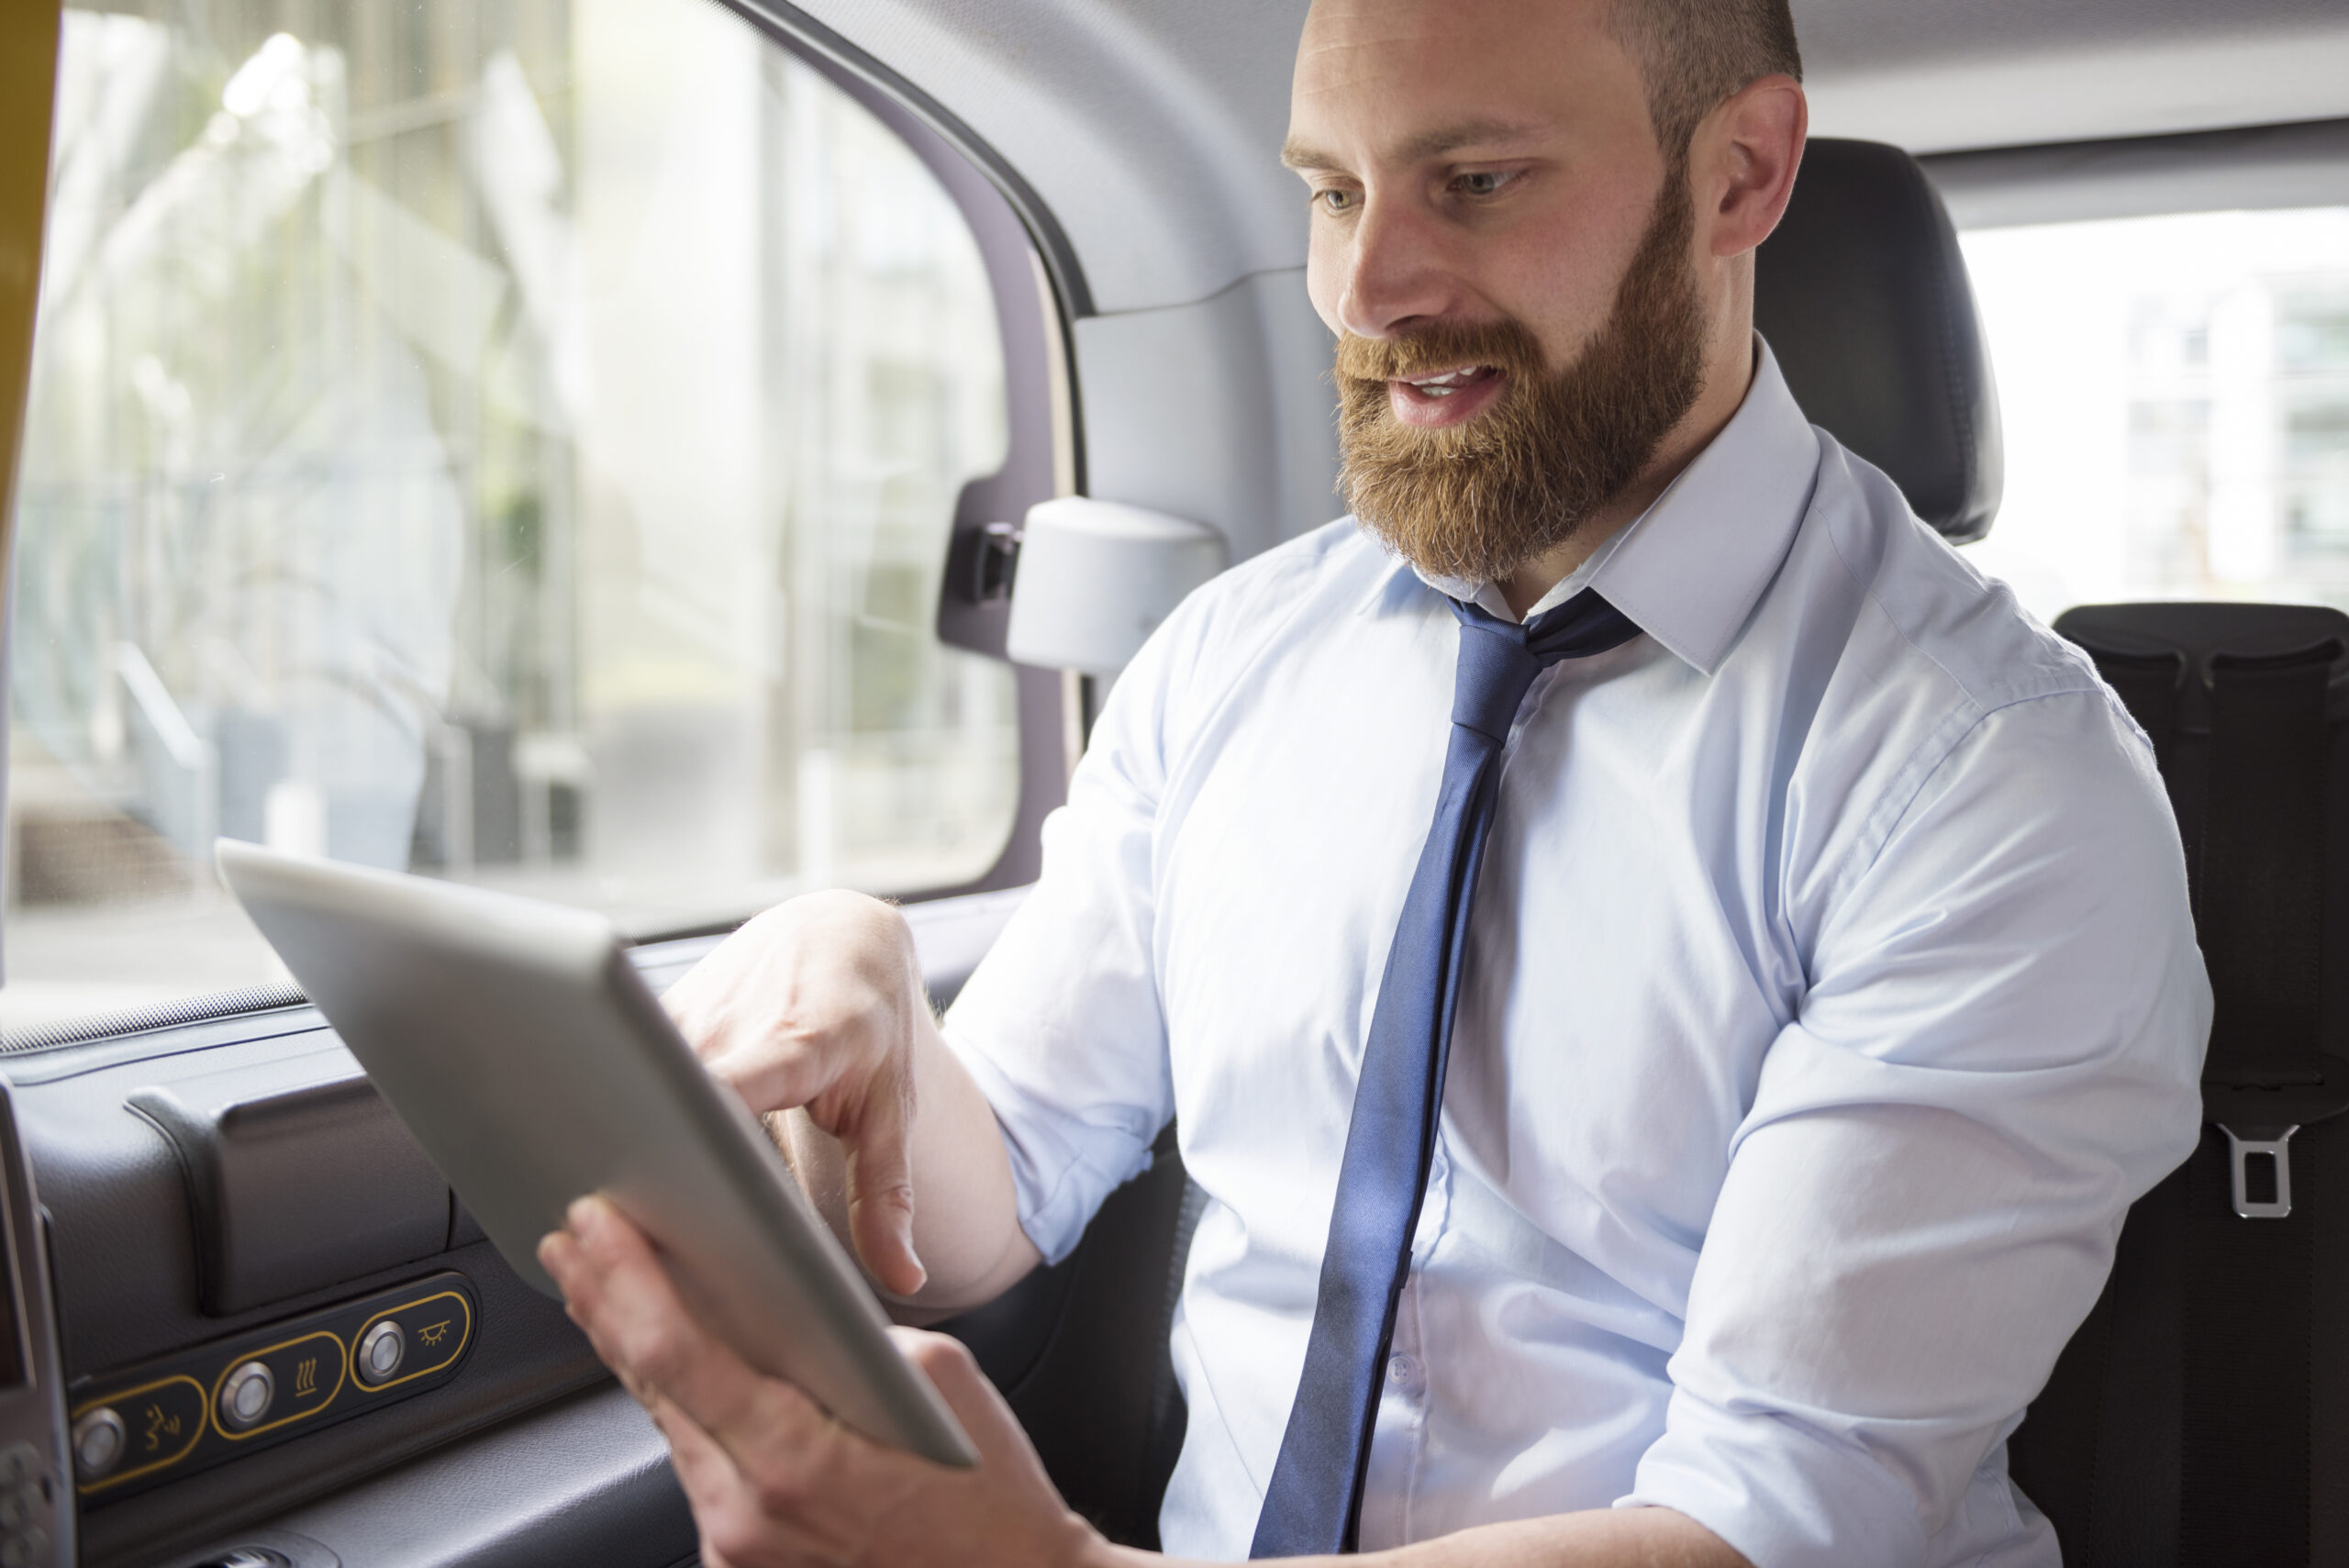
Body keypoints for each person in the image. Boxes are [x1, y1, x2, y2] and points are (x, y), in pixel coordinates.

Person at [534, 0, 2210, 1562]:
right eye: (1332, 192)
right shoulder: (1231, 661)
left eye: (1475, 182)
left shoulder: (1993, 782)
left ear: (1740, 176)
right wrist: (869, 992)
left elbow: (1764, 1524)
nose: (1364, 288)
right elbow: (975, 1218)